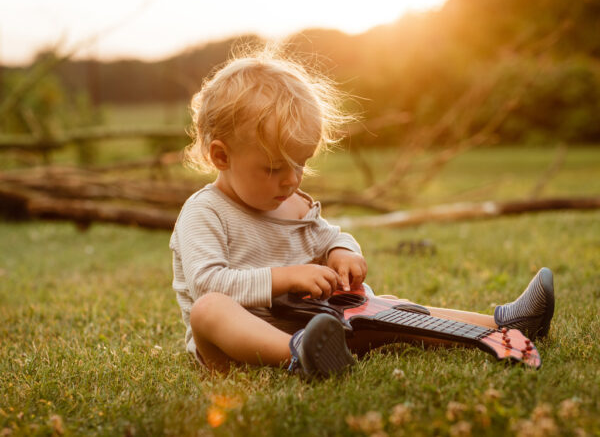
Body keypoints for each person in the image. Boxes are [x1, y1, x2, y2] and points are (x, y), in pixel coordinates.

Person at [169, 49, 554, 377]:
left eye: (301, 164)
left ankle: (504, 324)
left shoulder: (291, 202)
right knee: (209, 309)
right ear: (222, 156)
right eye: (274, 169)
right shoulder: (205, 213)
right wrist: (286, 277)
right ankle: (298, 356)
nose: (291, 180)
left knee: (390, 308)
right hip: (231, 346)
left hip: (318, 326)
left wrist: (342, 253)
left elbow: (330, 235)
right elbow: (209, 284)